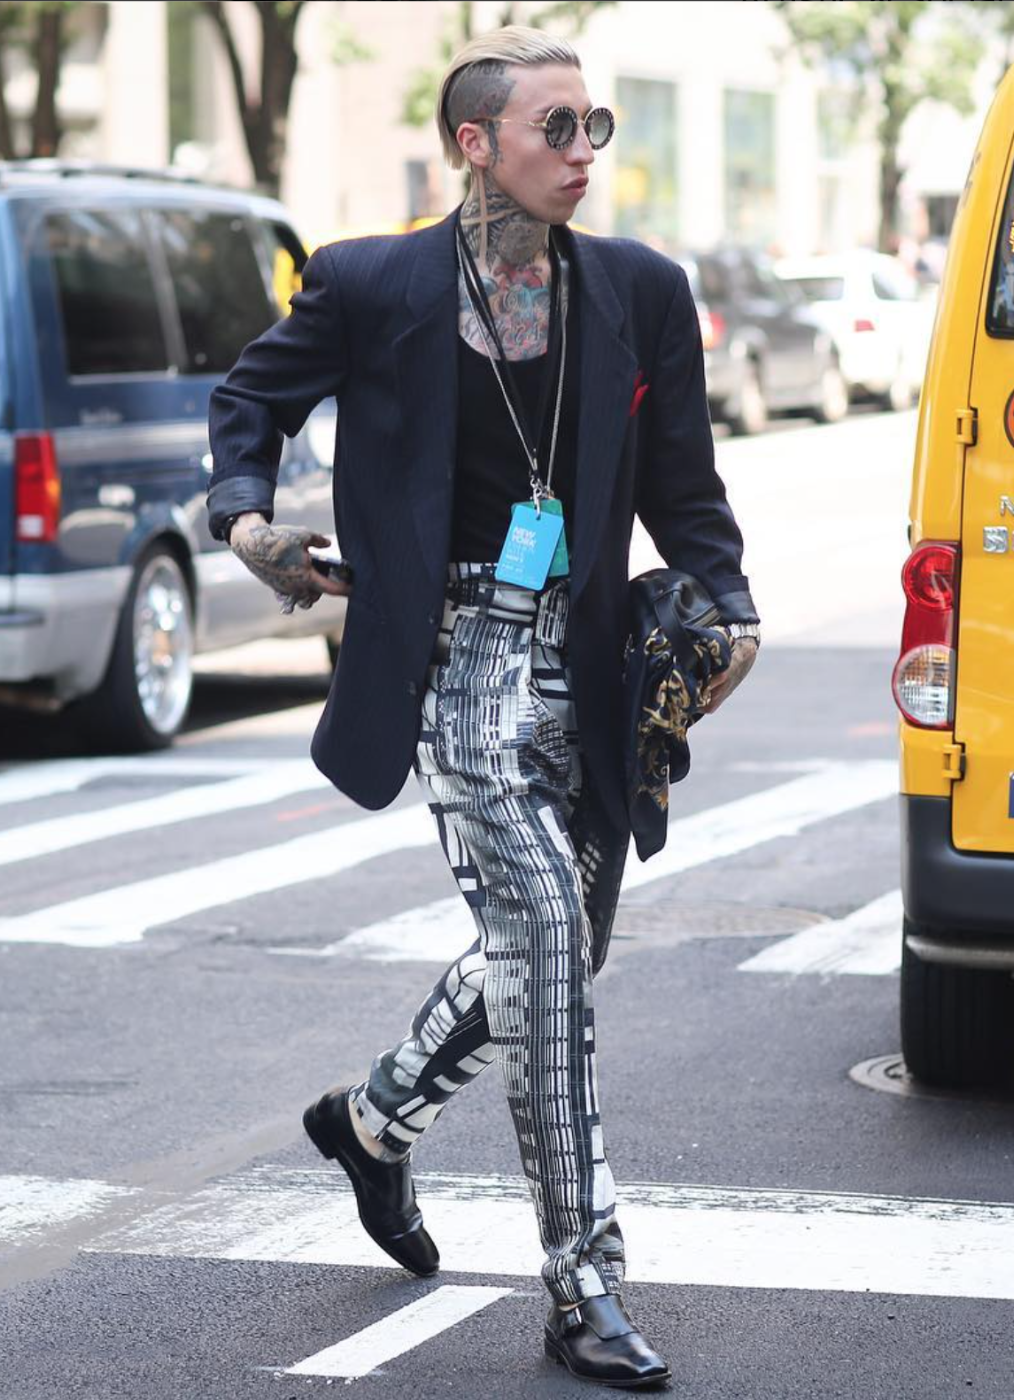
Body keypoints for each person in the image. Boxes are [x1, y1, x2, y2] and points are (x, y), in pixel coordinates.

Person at [206, 25, 759, 1390]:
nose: (582, 154)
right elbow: (248, 403)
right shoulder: (371, 283)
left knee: (557, 950)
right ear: (475, 144)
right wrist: (245, 519)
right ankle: (585, 1286)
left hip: (589, 663)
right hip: (447, 652)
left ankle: (373, 1122)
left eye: (595, 128)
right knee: (551, 943)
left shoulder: (637, 291)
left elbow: (686, 499)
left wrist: (727, 605)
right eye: (553, 130)